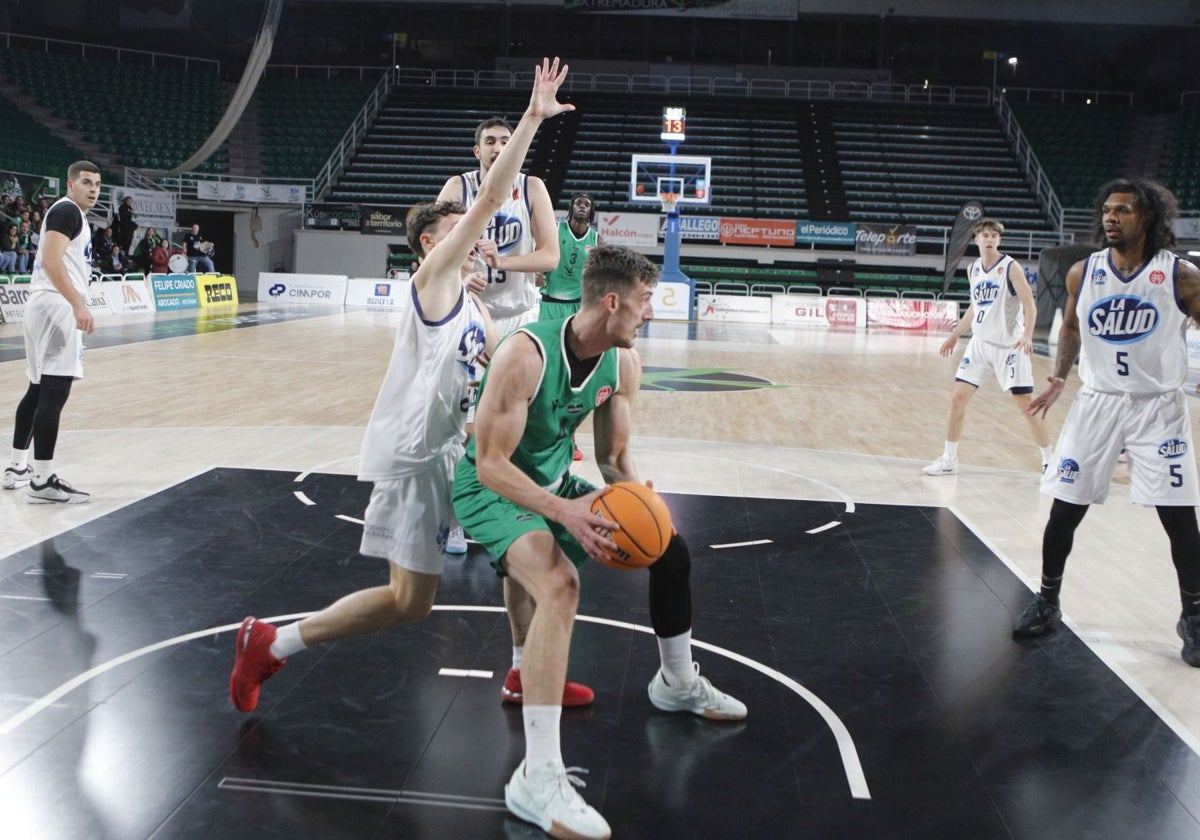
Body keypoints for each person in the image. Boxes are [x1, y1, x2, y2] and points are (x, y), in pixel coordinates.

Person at [226, 60, 575, 723]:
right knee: (409, 602)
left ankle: (526, 667)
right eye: (459, 233)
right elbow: (492, 202)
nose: (473, 241)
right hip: (419, 457)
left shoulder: (475, 307)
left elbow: (502, 377)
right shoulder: (432, 284)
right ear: (430, 244)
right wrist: (530, 120)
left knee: (522, 540)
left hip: (458, 451)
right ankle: (271, 643)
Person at [452, 243, 747, 840]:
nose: (649, 316)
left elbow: (612, 460)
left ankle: (676, 681)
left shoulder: (622, 364)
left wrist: (644, 505)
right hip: (492, 486)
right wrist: (567, 511)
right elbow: (488, 464)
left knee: (672, 547)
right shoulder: (525, 354)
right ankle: (537, 776)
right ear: (611, 302)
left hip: (554, 479)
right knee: (559, 584)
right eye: (643, 303)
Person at [1011, 176, 1200, 668]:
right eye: (1107, 210)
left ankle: (1194, 616)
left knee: (1180, 518)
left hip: (1158, 409)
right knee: (1065, 509)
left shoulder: (1180, 276)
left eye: (1124, 210)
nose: (1111, 218)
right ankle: (1048, 600)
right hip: (1096, 404)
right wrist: (1057, 376)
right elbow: (1071, 325)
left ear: (1150, 219)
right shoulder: (1084, 272)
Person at [1, 161, 101, 503]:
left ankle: (17, 466)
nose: (93, 189)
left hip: (42, 304)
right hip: (57, 304)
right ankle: (42, 480)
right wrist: (77, 303)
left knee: (38, 386)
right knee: (55, 392)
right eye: (86, 182)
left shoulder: (69, 213)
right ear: (70, 185)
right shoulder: (67, 211)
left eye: (98, 184)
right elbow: (52, 260)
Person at [923, 218, 1053, 475]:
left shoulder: (1010, 267)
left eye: (994, 235)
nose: (990, 239)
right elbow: (975, 307)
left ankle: (1050, 460)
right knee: (957, 399)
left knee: (1026, 404)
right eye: (985, 235)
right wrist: (955, 334)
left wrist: (1027, 336)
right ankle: (949, 460)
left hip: (1009, 346)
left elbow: (1030, 304)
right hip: (979, 344)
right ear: (976, 240)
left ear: (999, 240)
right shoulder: (973, 270)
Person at [539, 192, 603, 463]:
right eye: (578, 202)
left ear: (591, 212)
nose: (581, 206)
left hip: (577, 309)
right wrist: (536, 271)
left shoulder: (596, 240)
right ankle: (539, 433)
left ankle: (569, 439)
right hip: (549, 305)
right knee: (545, 371)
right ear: (570, 208)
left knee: (571, 376)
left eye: (587, 204)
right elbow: (539, 253)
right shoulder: (556, 230)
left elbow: (602, 271)